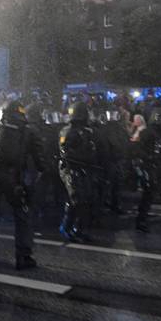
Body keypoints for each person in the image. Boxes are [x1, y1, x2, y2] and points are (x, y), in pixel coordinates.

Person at [0, 100, 44, 270]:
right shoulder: (29, 131)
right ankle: (23, 256)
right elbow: (39, 156)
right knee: (22, 216)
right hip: (14, 177)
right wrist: (40, 172)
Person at [58, 103, 100, 243]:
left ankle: (80, 229)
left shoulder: (87, 131)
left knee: (86, 200)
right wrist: (84, 157)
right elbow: (66, 152)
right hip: (71, 168)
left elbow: (91, 149)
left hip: (83, 168)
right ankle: (66, 227)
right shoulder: (67, 131)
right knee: (76, 199)